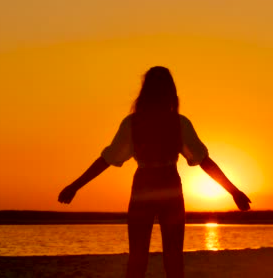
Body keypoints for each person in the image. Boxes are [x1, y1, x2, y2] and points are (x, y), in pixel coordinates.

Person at [58, 66, 251, 278]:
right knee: (172, 257)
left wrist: (75, 186)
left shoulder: (136, 122)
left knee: (139, 257)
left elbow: (107, 159)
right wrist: (233, 191)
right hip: (169, 185)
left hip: (144, 186)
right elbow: (204, 161)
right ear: (171, 92)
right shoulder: (176, 122)